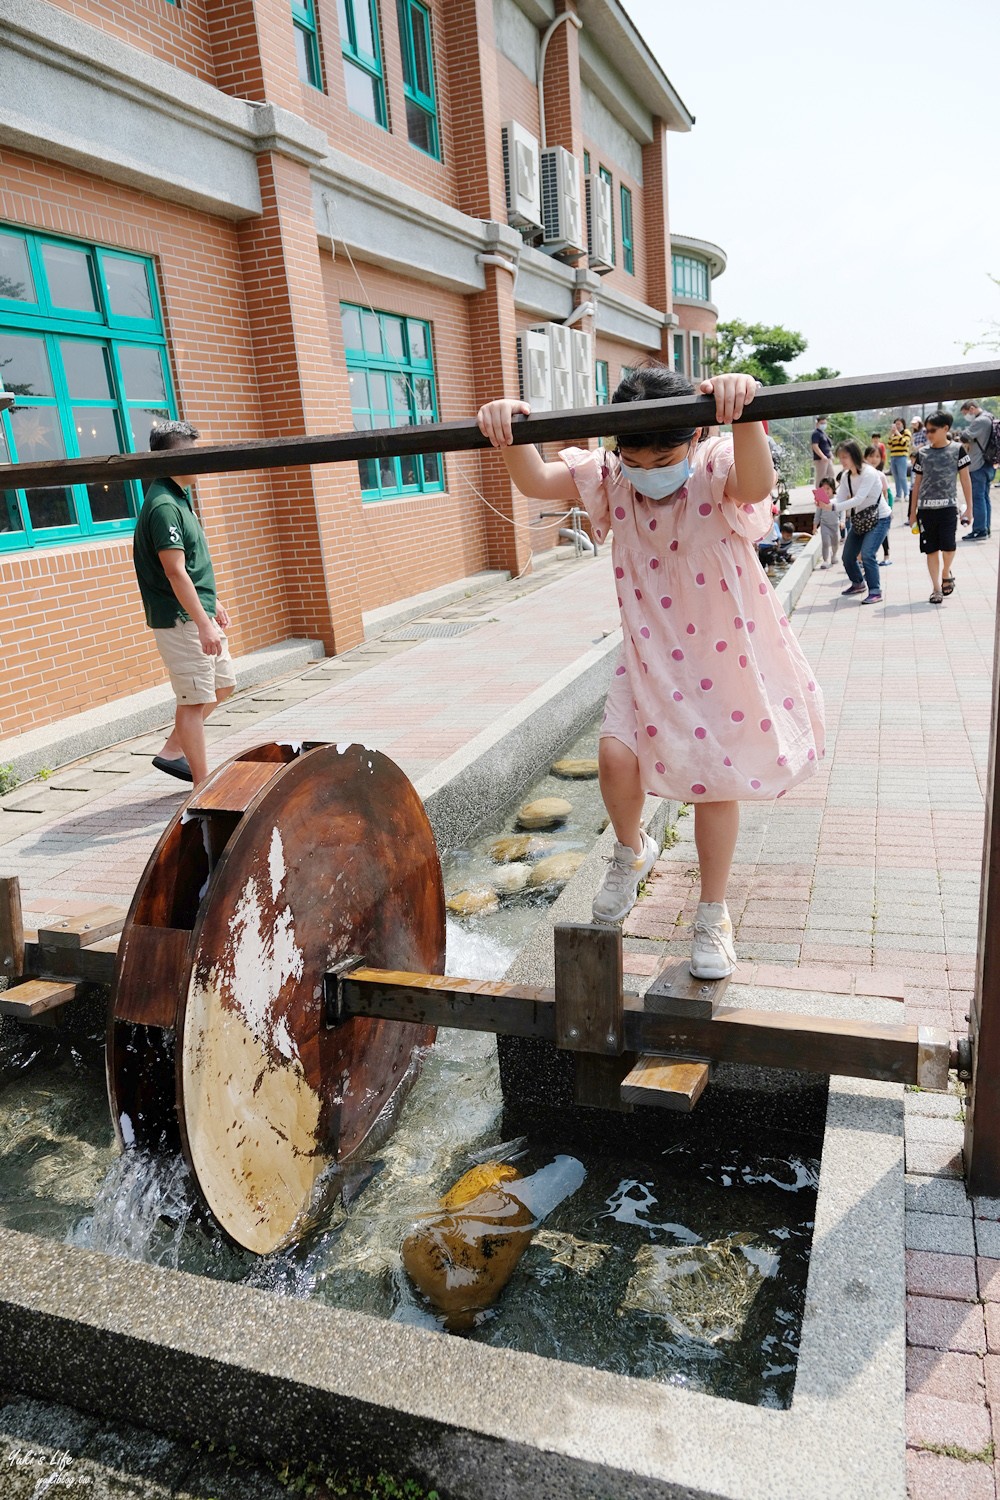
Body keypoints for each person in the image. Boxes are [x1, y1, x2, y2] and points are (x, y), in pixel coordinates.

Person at [476, 368, 825, 980]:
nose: (649, 469)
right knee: (615, 758)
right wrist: (509, 426)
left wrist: (742, 412)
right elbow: (535, 478)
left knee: (717, 784)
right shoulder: (613, 482)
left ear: (692, 440)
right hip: (649, 652)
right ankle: (630, 849)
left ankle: (713, 913)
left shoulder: (715, 469)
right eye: (634, 455)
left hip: (725, 658)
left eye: (664, 454)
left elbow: (758, 481)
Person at [132, 420, 236, 786]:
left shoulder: (178, 497)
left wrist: (213, 602)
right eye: (195, 453)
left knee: (222, 686)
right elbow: (175, 572)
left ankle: (173, 751)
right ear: (172, 457)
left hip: (197, 612)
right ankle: (202, 784)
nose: (202, 460)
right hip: (181, 621)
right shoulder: (162, 505)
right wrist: (203, 623)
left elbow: (190, 565)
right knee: (193, 701)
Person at [909, 410, 973, 603]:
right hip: (926, 510)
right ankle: (936, 589)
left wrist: (970, 508)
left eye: (932, 430)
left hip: (948, 508)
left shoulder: (958, 450)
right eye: (926, 430)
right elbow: (917, 484)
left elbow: (965, 479)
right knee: (931, 550)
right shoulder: (922, 453)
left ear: (945, 429)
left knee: (949, 546)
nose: (928, 434)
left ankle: (946, 572)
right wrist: (912, 513)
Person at [819, 440, 891, 604]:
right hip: (861, 520)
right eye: (840, 457)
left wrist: (832, 506)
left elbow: (858, 500)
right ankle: (858, 583)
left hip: (880, 518)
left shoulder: (869, 473)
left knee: (867, 554)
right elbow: (841, 497)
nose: (842, 461)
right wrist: (825, 501)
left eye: (845, 457)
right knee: (848, 556)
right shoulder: (846, 476)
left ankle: (875, 591)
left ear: (855, 455)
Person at [959, 399, 996, 540]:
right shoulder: (991, 417)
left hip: (978, 463)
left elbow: (964, 436)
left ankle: (980, 530)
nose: (967, 416)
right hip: (989, 463)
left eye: (966, 413)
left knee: (977, 498)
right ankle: (986, 528)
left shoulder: (980, 421)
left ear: (972, 408)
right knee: (985, 498)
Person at [864, 445, 893, 565]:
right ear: (865, 457)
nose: (874, 459)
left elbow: (886, 494)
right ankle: (871, 558)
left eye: (877, 456)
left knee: (883, 535)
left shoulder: (881, 475)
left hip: (880, 512)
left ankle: (886, 556)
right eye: (871, 456)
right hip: (866, 513)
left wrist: (888, 509)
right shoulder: (863, 475)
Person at [814, 477, 840, 567]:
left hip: (835, 525)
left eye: (828, 489)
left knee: (835, 543)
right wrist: (814, 527)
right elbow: (817, 515)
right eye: (823, 489)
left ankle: (834, 555)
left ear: (833, 488)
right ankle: (825, 560)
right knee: (825, 542)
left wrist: (843, 521)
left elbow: (842, 510)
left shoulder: (838, 499)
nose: (826, 491)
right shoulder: (821, 502)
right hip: (824, 524)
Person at [886, 417, 911, 510]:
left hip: (902, 457)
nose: (897, 425)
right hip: (893, 457)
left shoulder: (906, 432)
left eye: (899, 424)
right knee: (896, 477)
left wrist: (897, 433)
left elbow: (905, 443)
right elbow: (889, 445)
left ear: (903, 424)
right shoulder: (893, 435)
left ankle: (906, 493)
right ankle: (898, 494)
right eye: (896, 424)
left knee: (902, 476)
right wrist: (891, 434)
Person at [811, 416, 834, 485]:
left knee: (831, 474)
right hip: (821, 459)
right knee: (821, 478)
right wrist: (822, 456)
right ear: (817, 424)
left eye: (825, 423)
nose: (823, 425)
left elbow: (827, 446)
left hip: (828, 458)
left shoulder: (823, 433)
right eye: (822, 423)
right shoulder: (816, 434)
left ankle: (830, 493)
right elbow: (815, 446)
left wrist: (831, 455)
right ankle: (820, 495)